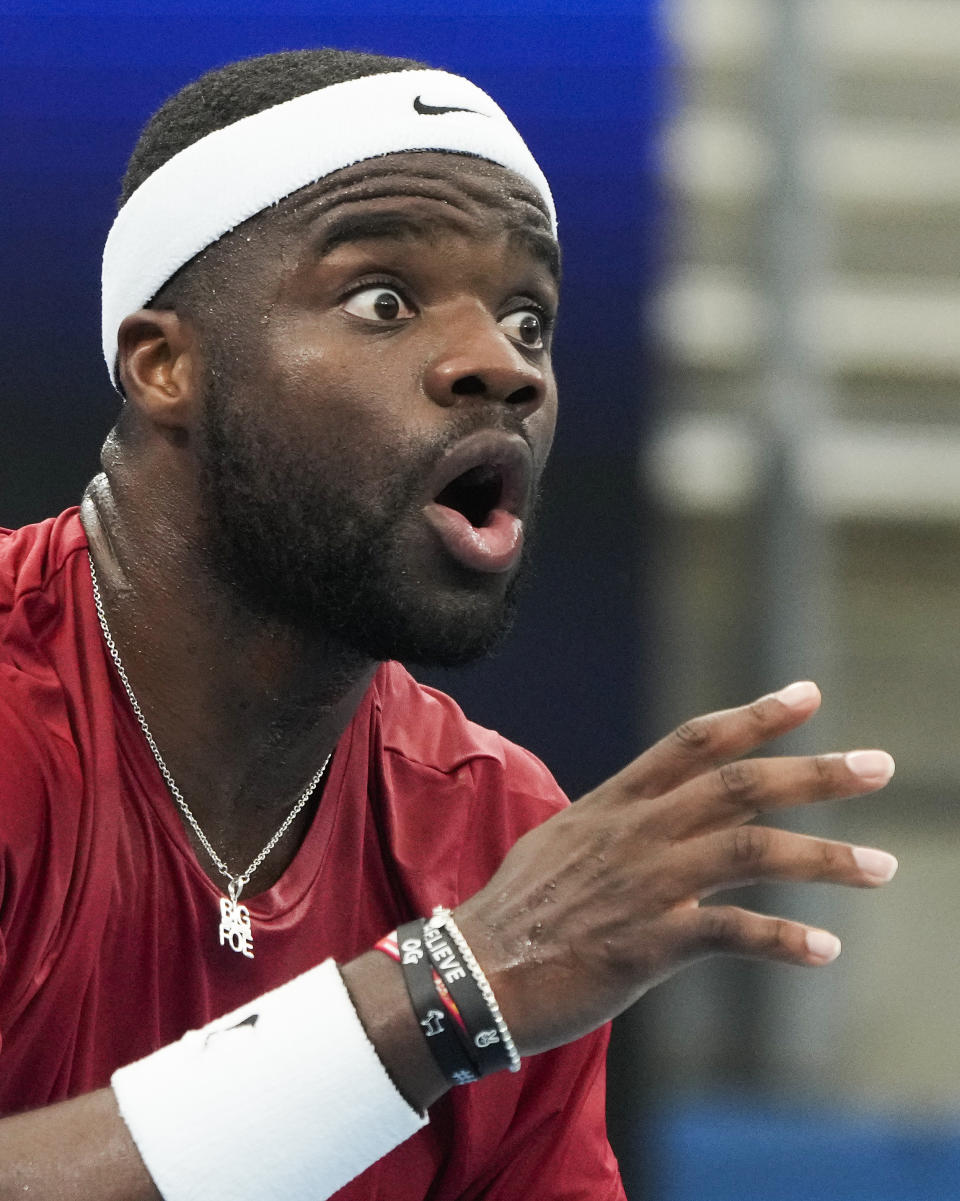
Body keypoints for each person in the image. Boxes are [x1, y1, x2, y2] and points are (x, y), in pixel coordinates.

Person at [0, 47, 898, 1200]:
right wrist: (443, 996)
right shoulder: (500, 925)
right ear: (165, 363)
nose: (502, 368)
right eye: (386, 300)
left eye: (530, 320)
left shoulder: (500, 835)